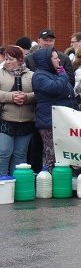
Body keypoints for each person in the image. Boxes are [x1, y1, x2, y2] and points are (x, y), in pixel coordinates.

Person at [31, 47, 76, 170]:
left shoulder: (55, 73)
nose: (59, 61)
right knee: (52, 156)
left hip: (62, 120)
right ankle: (48, 183)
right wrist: (63, 75)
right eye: (55, 58)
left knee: (63, 156)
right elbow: (55, 88)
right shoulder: (39, 76)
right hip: (49, 122)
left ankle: (62, 183)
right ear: (46, 60)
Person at [0, 46, 36, 176]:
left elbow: (39, 94)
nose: (7, 62)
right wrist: (11, 97)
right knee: (3, 153)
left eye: (10, 59)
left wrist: (26, 97)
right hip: (6, 120)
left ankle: (17, 187)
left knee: (20, 155)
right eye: (6, 59)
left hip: (26, 121)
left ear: (20, 60)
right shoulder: (0, 73)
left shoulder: (31, 75)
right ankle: (2, 184)